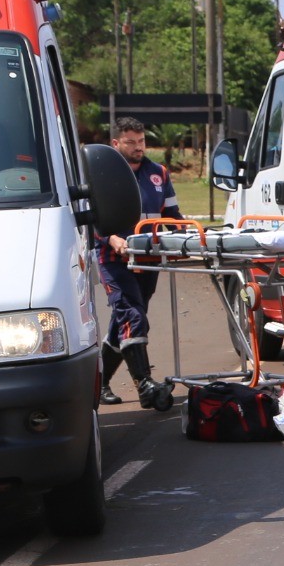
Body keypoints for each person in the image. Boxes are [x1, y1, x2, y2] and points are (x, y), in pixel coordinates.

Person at [99, 117, 186, 405]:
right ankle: (145, 385)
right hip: (114, 259)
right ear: (115, 143)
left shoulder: (158, 172)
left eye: (141, 141)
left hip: (148, 259)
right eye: (131, 142)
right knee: (132, 316)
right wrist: (111, 238)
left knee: (125, 320)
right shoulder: (102, 173)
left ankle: (97, 384)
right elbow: (92, 218)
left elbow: (173, 217)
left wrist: (192, 237)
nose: (138, 147)